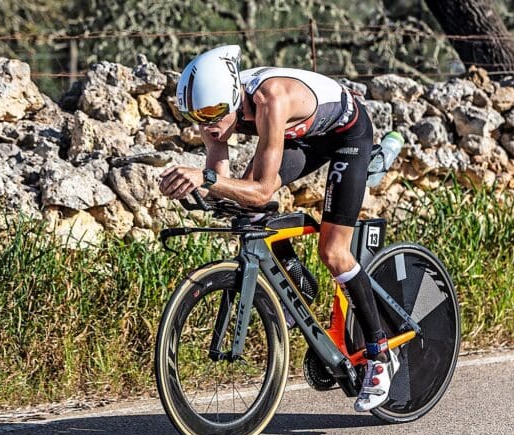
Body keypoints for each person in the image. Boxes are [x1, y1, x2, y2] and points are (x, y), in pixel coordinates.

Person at [158, 45, 398, 412]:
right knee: (245, 203)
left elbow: (261, 191)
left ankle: (380, 355)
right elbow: (222, 181)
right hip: (302, 137)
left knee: (333, 251)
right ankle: (298, 281)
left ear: (235, 97)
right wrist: (196, 187)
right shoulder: (216, 111)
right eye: (196, 116)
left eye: (212, 113)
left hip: (346, 135)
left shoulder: (271, 99)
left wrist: (204, 179)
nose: (207, 124)